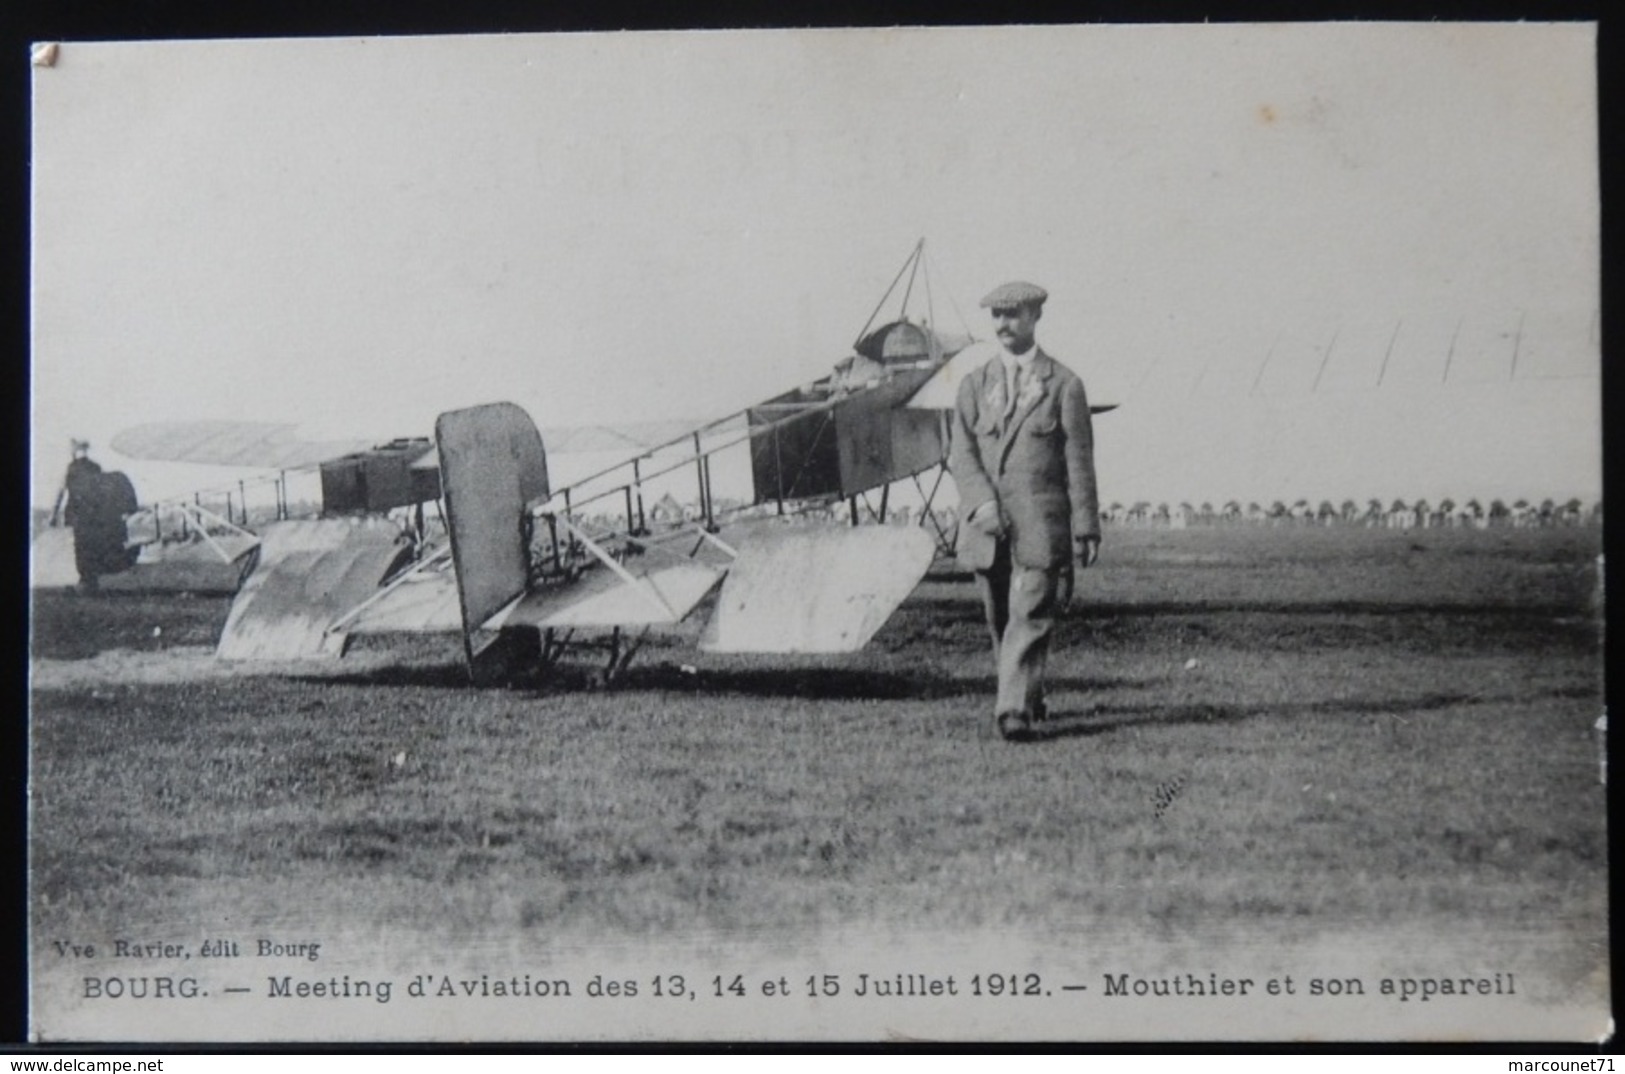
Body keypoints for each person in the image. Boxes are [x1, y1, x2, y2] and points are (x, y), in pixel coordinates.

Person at [948, 281, 1101, 740]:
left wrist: (1086, 526)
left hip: (1043, 525)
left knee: (1029, 614)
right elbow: (962, 454)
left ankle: (1011, 711)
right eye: (996, 315)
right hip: (986, 527)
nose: (1003, 324)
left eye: (1013, 315)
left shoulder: (1065, 385)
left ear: (1035, 317)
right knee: (1000, 620)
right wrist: (981, 505)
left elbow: (1079, 460)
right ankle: (1028, 695)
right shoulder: (974, 386)